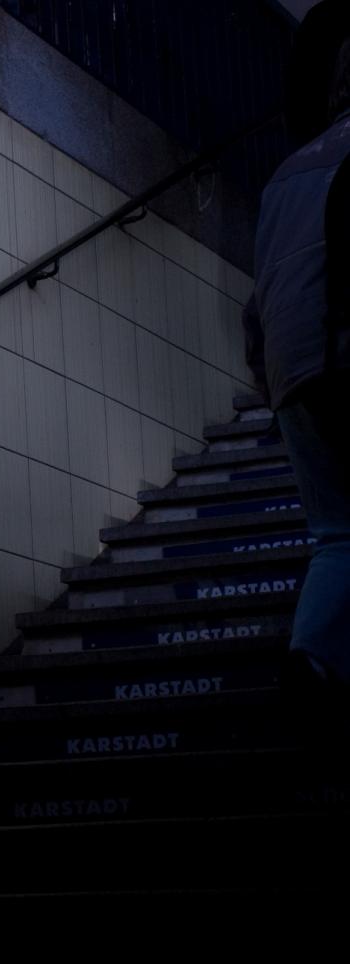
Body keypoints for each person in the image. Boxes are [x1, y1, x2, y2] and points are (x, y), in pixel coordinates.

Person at [243, 0, 350, 741]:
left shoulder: (284, 174)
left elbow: (258, 302)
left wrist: (271, 382)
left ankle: (312, 659)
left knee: (338, 534)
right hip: (344, 359)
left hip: (292, 375)